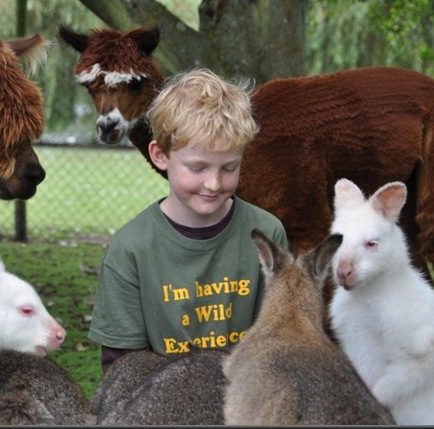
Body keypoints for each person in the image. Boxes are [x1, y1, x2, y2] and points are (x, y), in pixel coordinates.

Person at [88, 68, 289, 372]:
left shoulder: (267, 233)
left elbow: (281, 340)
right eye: (198, 168)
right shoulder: (130, 249)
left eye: (229, 168)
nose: (214, 183)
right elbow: (121, 368)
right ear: (160, 156)